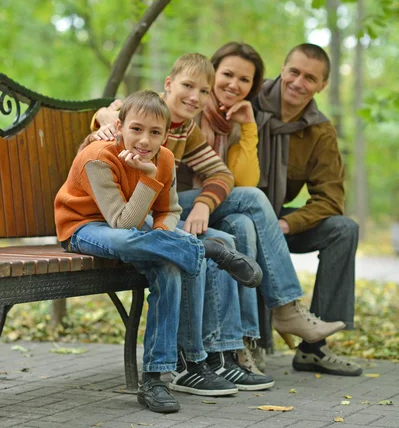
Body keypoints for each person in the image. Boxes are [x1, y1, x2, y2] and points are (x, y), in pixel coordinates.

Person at [93, 53, 345, 389]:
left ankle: (229, 352)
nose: (195, 97)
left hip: (164, 209)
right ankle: (280, 311)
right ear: (169, 84)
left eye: (202, 91)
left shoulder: (188, 129)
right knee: (241, 216)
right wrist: (104, 115)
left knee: (239, 221)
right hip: (124, 214)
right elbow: (115, 116)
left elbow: (223, 174)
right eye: (187, 87)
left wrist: (203, 205)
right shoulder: (143, 113)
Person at [54, 90, 263, 414]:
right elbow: (123, 224)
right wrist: (149, 180)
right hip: (85, 228)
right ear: (120, 126)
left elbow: (170, 210)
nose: (144, 140)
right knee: (127, 241)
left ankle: (155, 378)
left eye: (155, 133)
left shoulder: (164, 158)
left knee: (169, 265)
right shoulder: (98, 157)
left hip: (139, 229)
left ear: (166, 135)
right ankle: (207, 249)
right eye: (136, 129)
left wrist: (165, 234)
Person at [175, 43, 345, 375]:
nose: (234, 85)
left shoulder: (233, 120)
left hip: (223, 211)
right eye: (226, 76)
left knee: (243, 222)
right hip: (171, 211)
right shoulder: (191, 106)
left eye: (243, 80)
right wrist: (108, 113)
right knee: (251, 201)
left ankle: (241, 346)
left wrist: (248, 129)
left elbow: (235, 178)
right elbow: (140, 111)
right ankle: (287, 307)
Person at [252, 43, 362, 376]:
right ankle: (246, 341)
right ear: (282, 69)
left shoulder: (320, 130)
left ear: (322, 86)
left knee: (344, 229)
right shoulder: (248, 102)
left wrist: (285, 225)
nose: (299, 82)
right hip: (233, 211)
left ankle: (313, 348)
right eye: (294, 72)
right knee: (244, 230)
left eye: (310, 78)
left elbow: (330, 199)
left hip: (279, 218)